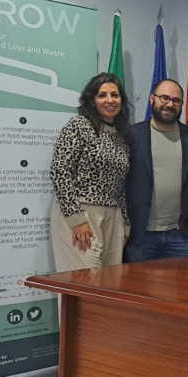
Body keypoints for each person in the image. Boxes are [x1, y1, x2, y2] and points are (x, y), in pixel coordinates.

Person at [124, 79, 188, 261]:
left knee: (180, 289)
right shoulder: (131, 135)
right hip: (141, 234)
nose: (170, 104)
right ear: (151, 99)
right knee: (137, 289)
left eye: (176, 100)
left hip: (180, 236)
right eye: (164, 97)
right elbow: (121, 182)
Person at [50, 72, 131, 271]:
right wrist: (76, 219)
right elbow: (60, 171)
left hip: (113, 217)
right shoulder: (78, 126)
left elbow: (119, 185)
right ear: (92, 100)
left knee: (111, 283)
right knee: (86, 282)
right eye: (102, 95)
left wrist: (125, 224)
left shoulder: (121, 137)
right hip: (83, 212)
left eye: (115, 95)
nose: (110, 100)